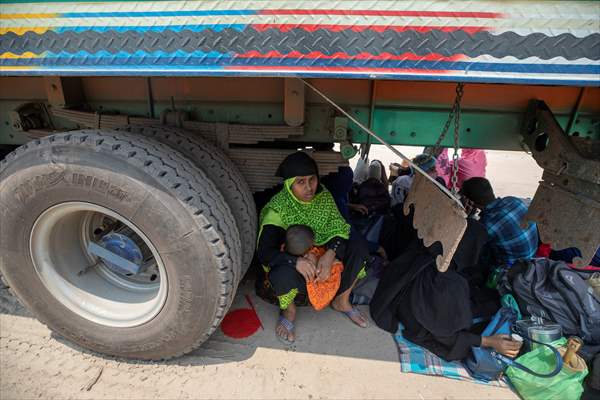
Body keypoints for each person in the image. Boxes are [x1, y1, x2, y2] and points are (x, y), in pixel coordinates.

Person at [257, 151, 371, 344]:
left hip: (324, 260)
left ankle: (341, 301)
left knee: (359, 247)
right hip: (298, 264)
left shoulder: (323, 197)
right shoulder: (277, 210)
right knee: (280, 275)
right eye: (301, 182)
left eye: (312, 179)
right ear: (289, 185)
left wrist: (328, 255)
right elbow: (265, 253)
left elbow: (338, 228)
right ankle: (289, 310)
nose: (309, 188)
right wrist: (297, 262)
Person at [370, 219, 522, 361]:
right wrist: (489, 342)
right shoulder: (451, 284)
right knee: (489, 309)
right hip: (420, 326)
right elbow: (447, 338)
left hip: (406, 309)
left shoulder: (424, 251)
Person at [460, 177, 538, 267]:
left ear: (471, 202)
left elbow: (471, 245)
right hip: (532, 257)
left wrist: (468, 216)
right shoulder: (513, 200)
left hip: (512, 270)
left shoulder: (486, 225)